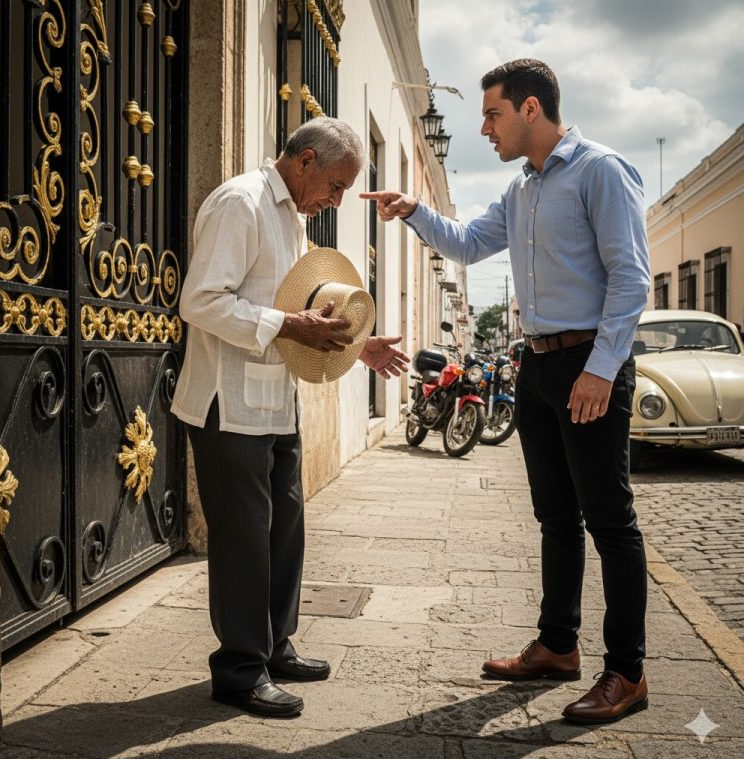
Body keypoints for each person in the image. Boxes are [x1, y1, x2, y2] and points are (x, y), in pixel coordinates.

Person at [361, 59, 651, 724]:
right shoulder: (521, 190)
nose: (485, 129)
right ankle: (558, 645)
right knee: (555, 516)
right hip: (538, 369)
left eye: (492, 114)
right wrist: (414, 211)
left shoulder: (601, 171)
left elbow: (631, 278)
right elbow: (466, 245)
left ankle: (628, 672)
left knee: (611, 521)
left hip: (589, 363)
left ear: (530, 108)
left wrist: (603, 369)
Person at [171, 117, 409, 718]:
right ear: (304, 161)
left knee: (285, 531)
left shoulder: (291, 218)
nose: (337, 200)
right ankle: (240, 671)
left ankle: (275, 647)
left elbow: (301, 309)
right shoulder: (241, 203)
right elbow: (200, 301)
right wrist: (286, 326)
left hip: (276, 400)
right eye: (336, 185)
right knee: (243, 541)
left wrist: (360, 345)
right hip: (228, 405)